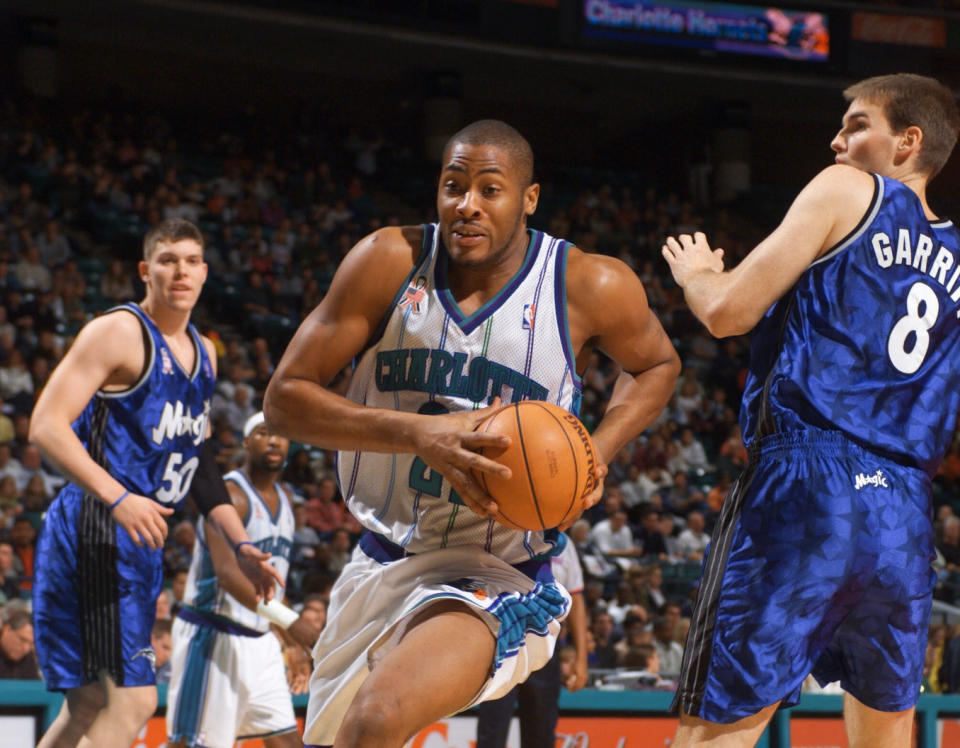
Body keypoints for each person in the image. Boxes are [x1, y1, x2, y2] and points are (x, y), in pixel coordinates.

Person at [263, 119, 679, 747]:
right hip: (379, 560)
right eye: (454, 186)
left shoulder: (587, 285)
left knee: (376, 719)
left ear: (529, 198)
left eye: (490, 189)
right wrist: (418, 435)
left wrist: (600, 447)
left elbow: (657, 364)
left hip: (497, 571)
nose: (468, 205)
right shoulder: (387, 262)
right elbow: (284, 403)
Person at [662, 74, 960, 747]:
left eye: (856, 125)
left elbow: (724, 311)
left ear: (908, 142)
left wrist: (697, 274)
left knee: (722, 727)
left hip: (811, 480)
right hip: (904, 511)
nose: (837, 141)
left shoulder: (848, 188)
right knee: (885, 735)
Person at [29, 218, 282, 748]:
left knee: (88, 705)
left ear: (206, 272)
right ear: (146, 270)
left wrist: (240, 544)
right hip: (94, 525)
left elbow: (202, 464)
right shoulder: (118, 332)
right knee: (136, 698)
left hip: (139, 537)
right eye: (168, 260)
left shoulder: (206, 352)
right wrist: (119, 497)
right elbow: (46, 425)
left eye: (191, 260)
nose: (181, 271)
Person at [168, 411, 321, 748]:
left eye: (281, 434)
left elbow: (271, 588)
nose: (275, 440)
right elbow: (228, 576)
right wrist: (292, 623)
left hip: (261, 643)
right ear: (246, 441)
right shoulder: (228, 496)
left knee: (288, 742)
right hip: (213, 635)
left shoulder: (287, 502)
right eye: (265, 432)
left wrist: (290, 642)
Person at [475, 534, 589, 748]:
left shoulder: (563, 543)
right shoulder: (502, 530)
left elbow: (577, 598)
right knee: (493, 730)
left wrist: (581, 659)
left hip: (546, 641)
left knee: (542, 732)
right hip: (502, 637)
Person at [0, 605, 39, 679]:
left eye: (31, 644)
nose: (26, 649)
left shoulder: (27, 659)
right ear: (7, 630)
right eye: (22, 640)